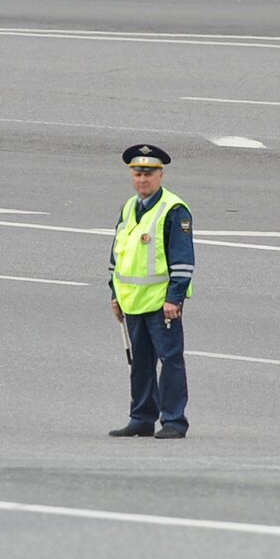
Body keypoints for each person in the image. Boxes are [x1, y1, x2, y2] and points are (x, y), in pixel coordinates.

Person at [107, 144, 194, 439]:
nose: (142, 179)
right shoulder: (129, 207)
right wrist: (114, 294)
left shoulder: (173, 210)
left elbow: (183, 260)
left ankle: (174, 420)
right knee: (140, 362)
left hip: (161, 303)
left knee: (170, 360)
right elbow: (118, 254)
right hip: (132, 301)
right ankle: (142, 418)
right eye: (137, 173)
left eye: (148, 173)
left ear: (160, 175)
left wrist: (175, 298)